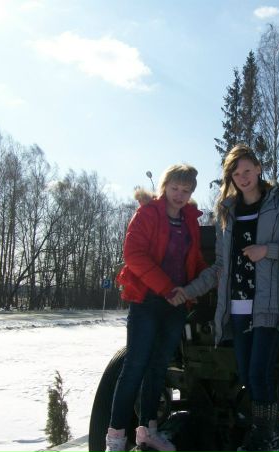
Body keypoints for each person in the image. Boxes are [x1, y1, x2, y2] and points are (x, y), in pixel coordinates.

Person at [179, 144, 279, 452]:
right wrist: (188, 290)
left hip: (270, 305)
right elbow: (220, 267)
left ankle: (266, 438)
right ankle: (265, 431)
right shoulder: (227, 211)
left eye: (247, 170)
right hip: (238, 307)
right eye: (236, 173)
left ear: (259, 169)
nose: (243, 177)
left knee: (259, 373)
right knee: (246, 373)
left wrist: (268, 250)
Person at [105, 164, 208, 452]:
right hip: (147, 302)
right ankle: (115, 438)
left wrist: (206, 278)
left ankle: (149, 430)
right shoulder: (148, 213)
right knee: (134, 366)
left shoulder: (190, 220)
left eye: (186, 190)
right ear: (165, 186)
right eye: (175, 188)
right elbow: (133, 254)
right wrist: (167, 288)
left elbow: (195, 260)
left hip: (176, 305)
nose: (179, 194)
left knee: (158, 367)